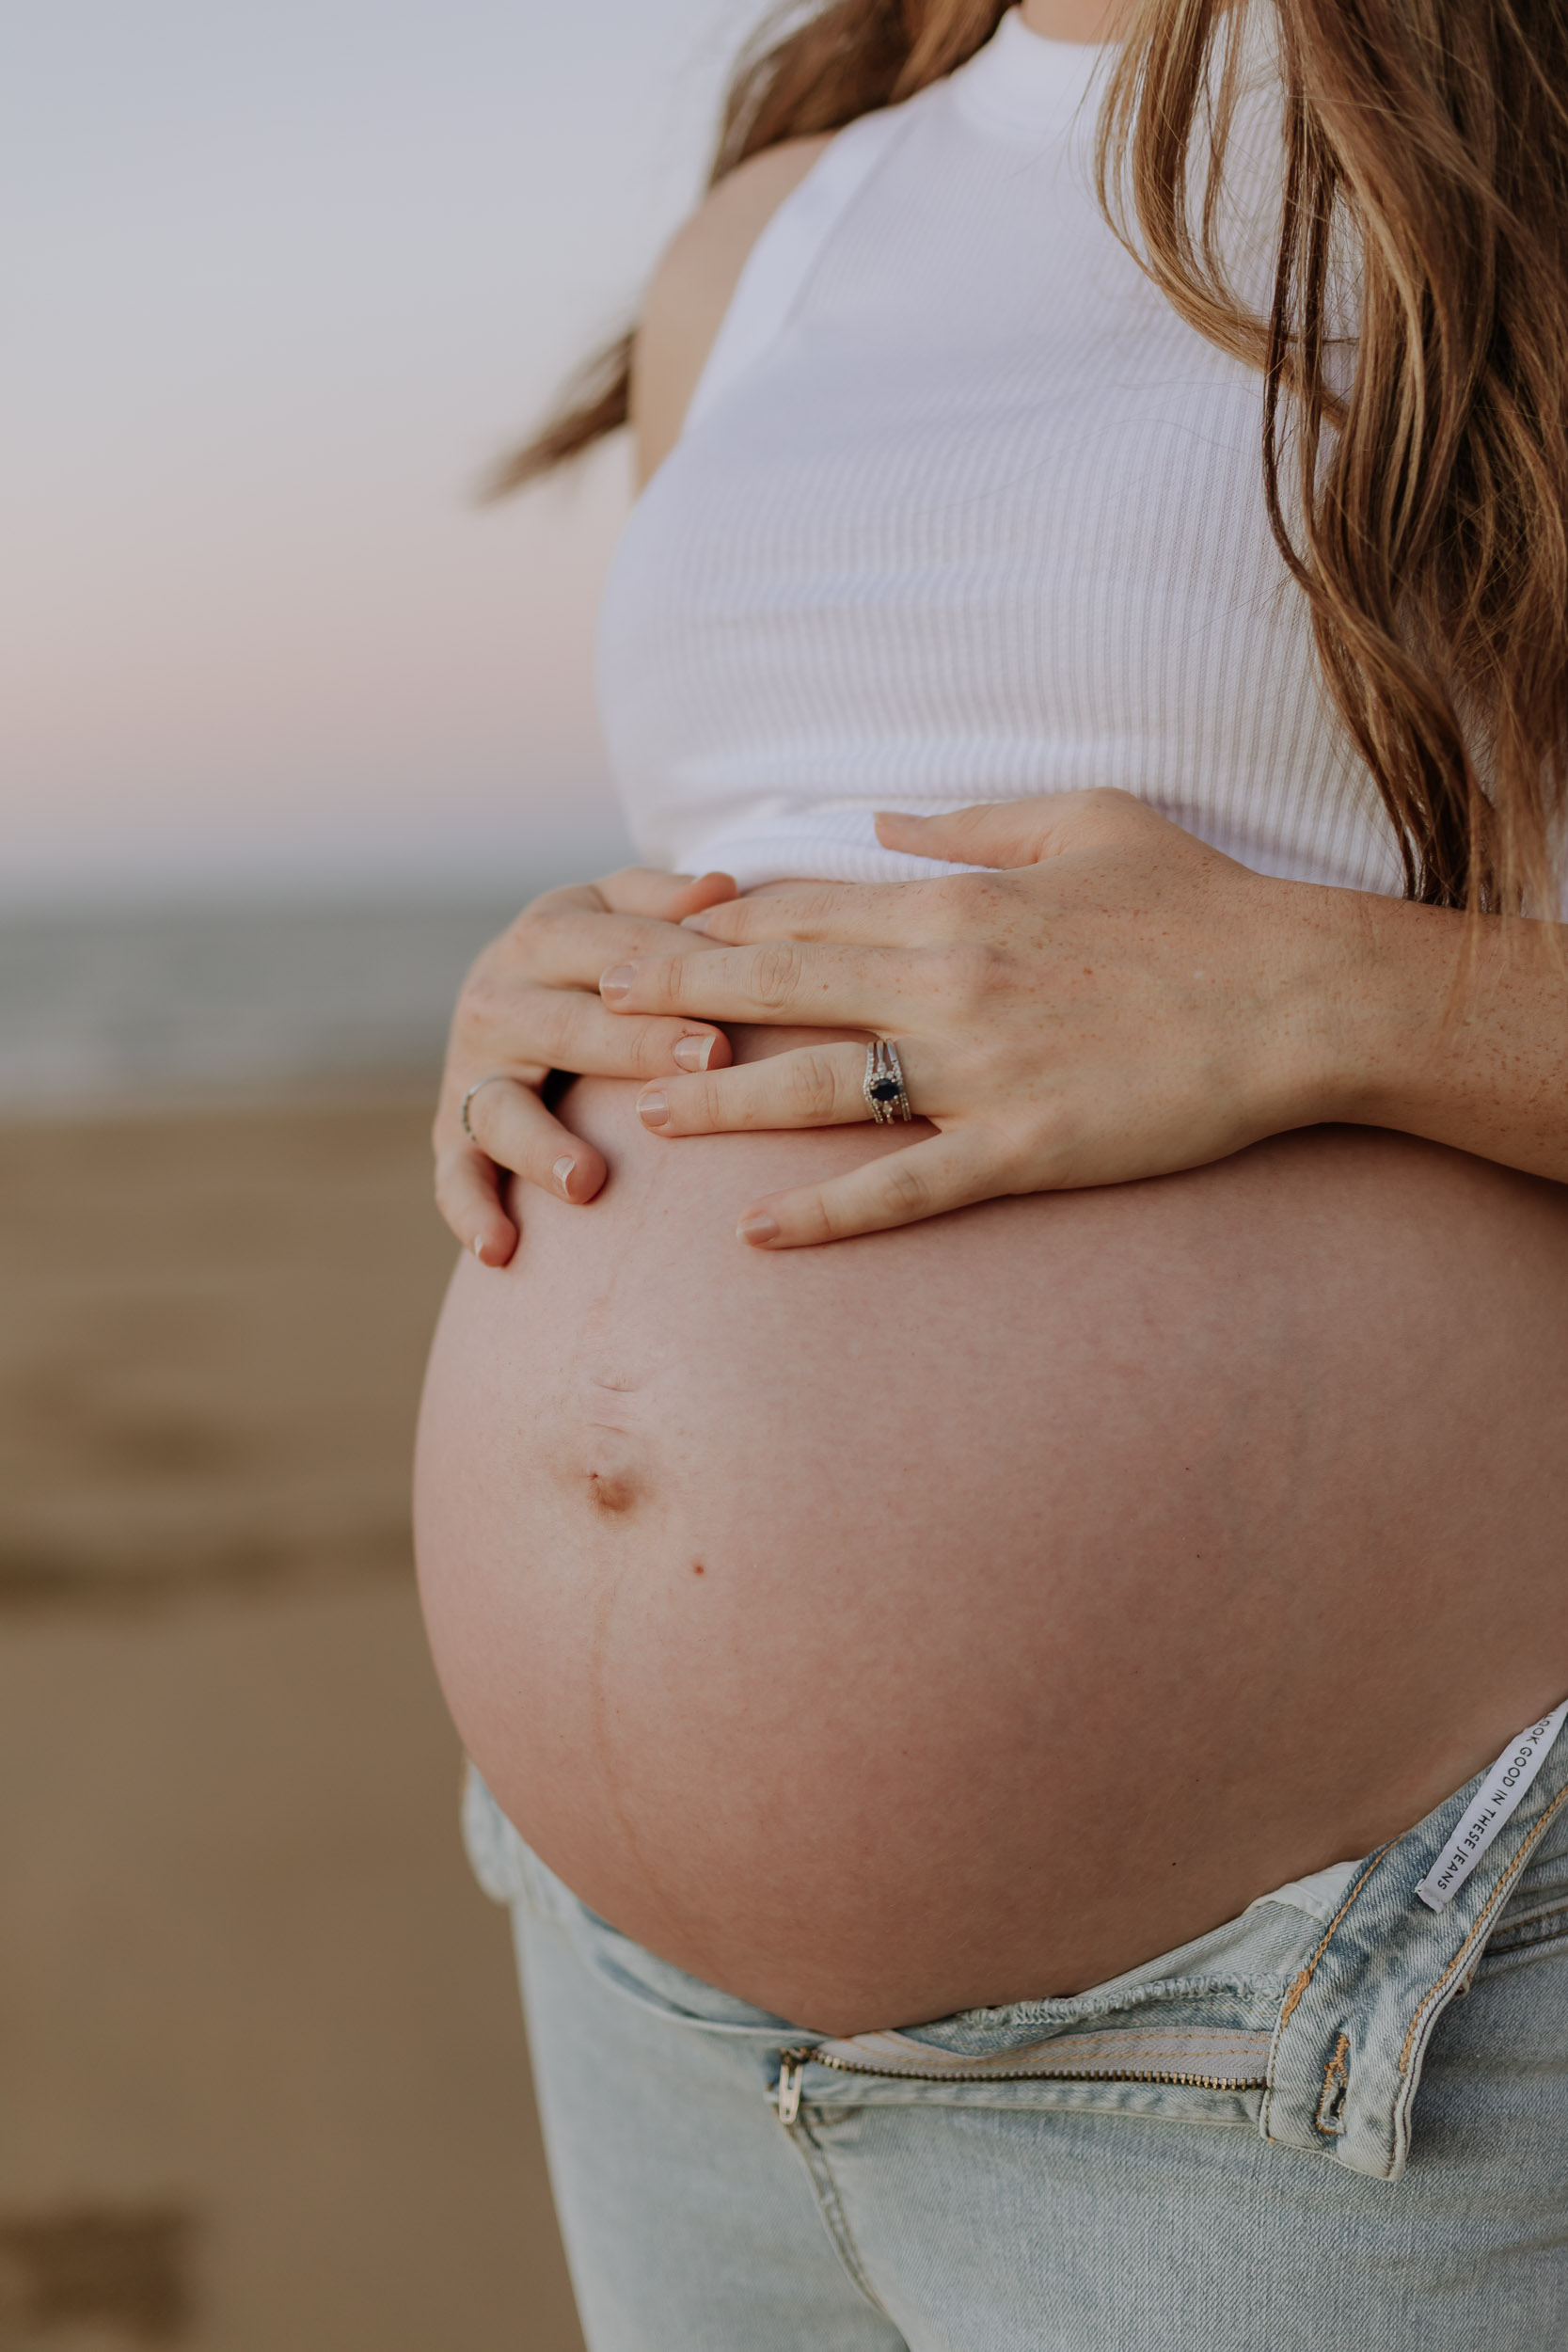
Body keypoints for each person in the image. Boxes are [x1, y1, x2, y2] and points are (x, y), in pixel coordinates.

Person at [413, 0, 1568, 2340]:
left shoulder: (1519, 141)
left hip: (1349, 1994)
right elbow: (795, 839)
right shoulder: (769, 238)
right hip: (641, 2000)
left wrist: (1337, 1003)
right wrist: (550, 989)